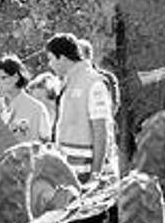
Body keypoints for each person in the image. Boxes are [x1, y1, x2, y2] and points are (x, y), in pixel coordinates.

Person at [47, 33, 118, 185]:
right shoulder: (67, 82)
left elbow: (101, 130)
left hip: (88, 174)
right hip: (72, 172)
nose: (49, 64)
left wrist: (95, 174)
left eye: (51, 59)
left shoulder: (94, 83)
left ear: (63, 58)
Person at [0, 55, 52, 158]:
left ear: (16, 77)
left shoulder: (37, 108)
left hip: (26, 168)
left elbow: (46, 143)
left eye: (3, 77)